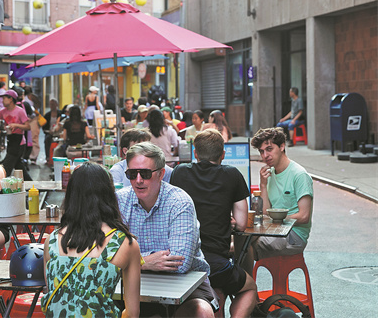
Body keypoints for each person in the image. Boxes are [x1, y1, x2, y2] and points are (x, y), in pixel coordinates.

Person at [116, 142, 218, 317]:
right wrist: (145, 261)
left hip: (185, 281)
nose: (138, 180)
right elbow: (109, 255)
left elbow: (181, 263)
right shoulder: (119, 200)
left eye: (145, 174)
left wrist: (131, 260)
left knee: (201, 312)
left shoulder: (179, 202)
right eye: (132, 174)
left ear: (161, 174)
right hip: (132, 280)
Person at [171, 129, 257, 317]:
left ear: (195, 153)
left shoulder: (179, 172)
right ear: (223, 155)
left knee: (218, 290)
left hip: (182, 261)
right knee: (250, 287)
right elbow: (242, 224)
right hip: (216, 264)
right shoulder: (232, 174)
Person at [42, 162, 141, 318]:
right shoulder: (125, 244)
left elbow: (55, 298)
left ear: (71, 195)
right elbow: (133, 313)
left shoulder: (52, 242)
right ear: (109, 194)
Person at [246, 127, 313, 272]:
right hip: (273, 231)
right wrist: (263, 185)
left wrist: (276, 219)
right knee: (241, 237)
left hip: (294, 236)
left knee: (245, 246)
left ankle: (246, 284)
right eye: (261, 151)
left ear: (282, 146)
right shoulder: (269, 174)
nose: (265, 155)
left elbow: (304, 216)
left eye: (269, 149)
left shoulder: (299, 175)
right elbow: (265, 213)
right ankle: (244, 283)